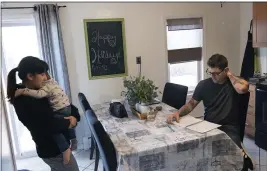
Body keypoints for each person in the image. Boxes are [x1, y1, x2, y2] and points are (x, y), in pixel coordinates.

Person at [167, 54, 255, 170]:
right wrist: (178, 113)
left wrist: (230, 75)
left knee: (235, 157)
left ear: (225, 71)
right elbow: (191, 104)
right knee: (195, 149)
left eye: (216, 73)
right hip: (208, 126)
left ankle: (242, 157)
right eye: (210, 72)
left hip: (229, 127)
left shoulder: (233, 83)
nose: (213, 76)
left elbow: (243, 88)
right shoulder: (203, 85)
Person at [7, 56, 80, 171]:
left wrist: (75, 117)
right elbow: (47, 125)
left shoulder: (40, 90)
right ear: (30, 76)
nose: (45, 77)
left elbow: (64, 104)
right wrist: (70, 123)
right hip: (53, 150)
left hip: (56, 147)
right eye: (42, 74)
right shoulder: (24, 100)